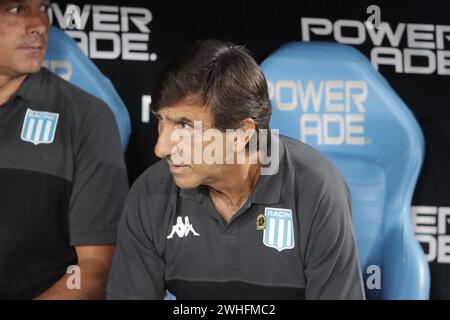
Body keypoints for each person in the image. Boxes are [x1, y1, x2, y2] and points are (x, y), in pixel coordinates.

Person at [107, 39, 365, 299]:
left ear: (241, 134)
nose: (161, 148)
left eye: (184, 126)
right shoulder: (151, 192)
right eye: (162, 121)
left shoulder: (316, 189)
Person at [0, 0, 128, 299]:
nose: (40, 24)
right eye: (16, 9)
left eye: (43, 7)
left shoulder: (86, 117)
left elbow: (96, 269)